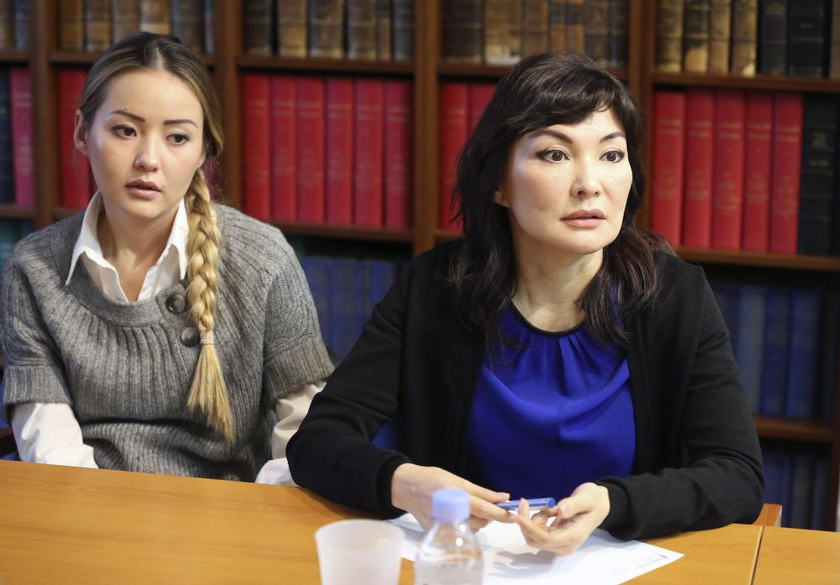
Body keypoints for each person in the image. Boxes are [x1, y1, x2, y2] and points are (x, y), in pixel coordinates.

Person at [287, 52, 764, 553]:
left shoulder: (674, 296)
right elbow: (318, 442)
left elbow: (738, 476)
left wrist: (614, 503)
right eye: (555, 155)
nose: (590, 183)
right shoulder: (435, 288)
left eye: (611, 155)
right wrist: (404, 482)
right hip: (468, 564)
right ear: (498, 183)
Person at [0, 33, 333, 482]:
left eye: (177, 137)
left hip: (227, 521)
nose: (148, 159)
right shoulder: (33, 269)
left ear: (202, 152)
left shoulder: (263, 260)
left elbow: (306, 437)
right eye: (125, 130)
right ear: (82, 133)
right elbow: (51, 448)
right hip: (87, 513)